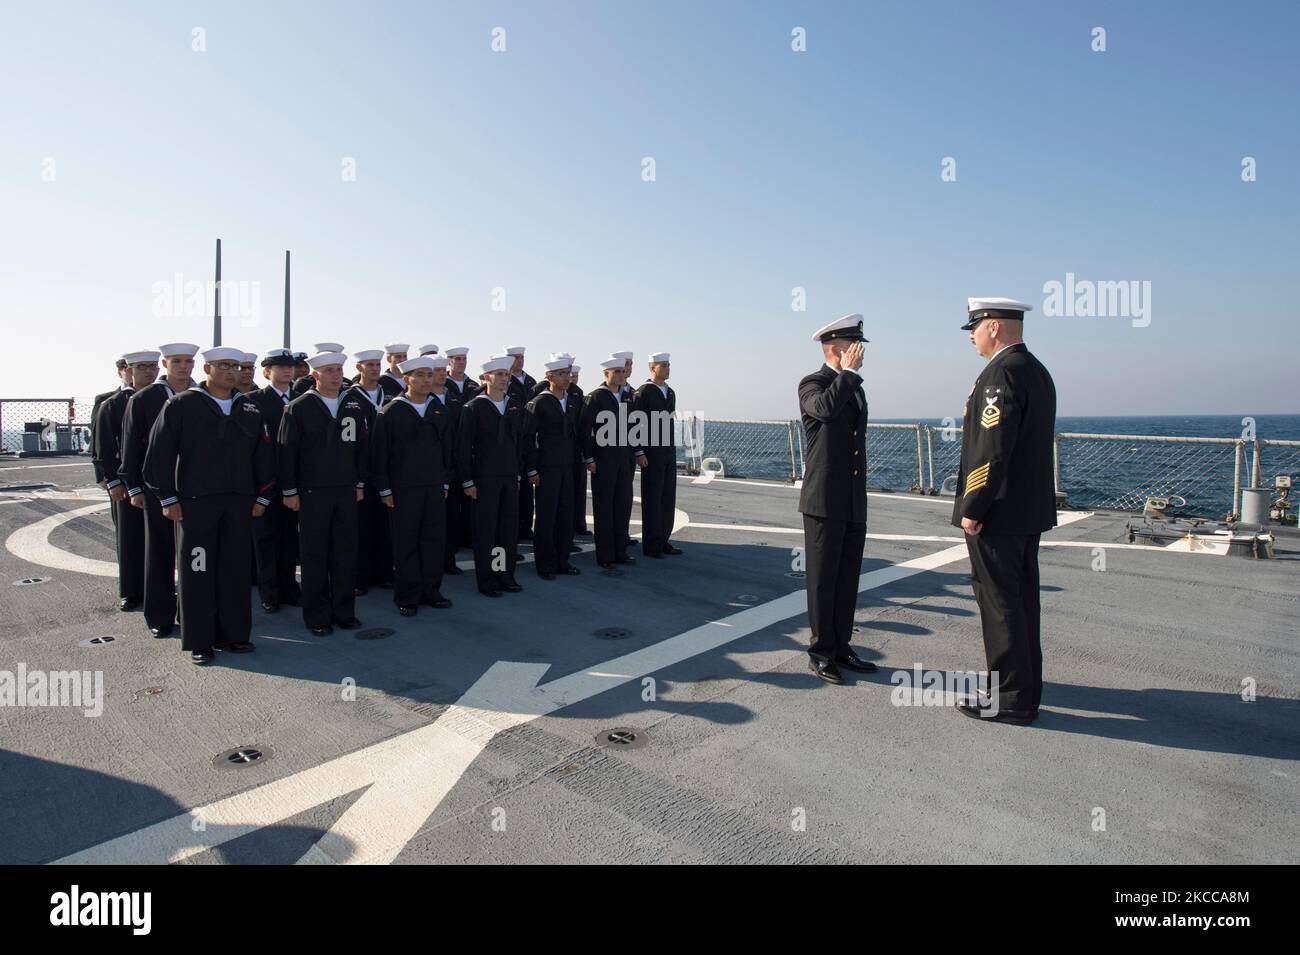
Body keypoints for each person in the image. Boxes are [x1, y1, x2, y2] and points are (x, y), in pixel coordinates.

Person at [953, 297, 1057, 726]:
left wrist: (974, 506)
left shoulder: (999, 374)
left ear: (993, 326)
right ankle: (1024, 690)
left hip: (999, 512)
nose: (972, 337)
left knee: (999, 604)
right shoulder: (1036, 370)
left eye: (974, 328)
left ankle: (1009, 699)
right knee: (1021, 602)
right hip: (1026, 511)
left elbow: (992, 450)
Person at [142, 346, 275, 665]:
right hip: (196, 505)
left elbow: (264, 456)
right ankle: (200, 639)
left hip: (238, 504)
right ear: (208, 370)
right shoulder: (183, 405)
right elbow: (158, 454)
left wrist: (262, 496)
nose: (231, 371)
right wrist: (167, 497)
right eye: (223, 365)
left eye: (236, 366)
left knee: (235, 570)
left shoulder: (249, 409)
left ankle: (235, 635)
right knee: (196, 571)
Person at [798, 314, 878, 685]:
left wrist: (850, 378)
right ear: (835, 348)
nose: (859, 353)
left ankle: (842, 645)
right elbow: (826, 410)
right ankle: (821, 651)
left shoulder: (854, 386)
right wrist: (848, 374)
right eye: (853, 346)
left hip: (851, 497)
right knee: (823, 578)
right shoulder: (812, 384)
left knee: (847, 576)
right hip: (823, 499)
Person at [278, 352, 370, 636]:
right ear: (315, 375)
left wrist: (359, 483)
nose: (336, 375)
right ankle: (317, 616)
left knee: (345, 552)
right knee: (314, 555)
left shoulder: (354, 404)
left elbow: (363, 449)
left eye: (339, 370)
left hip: (345, 490)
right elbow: (286, 452)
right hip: (312, 492)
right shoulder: (299, 407)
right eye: (329, 370)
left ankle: (344, 611)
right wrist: (289, 490)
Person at [119, 342, 199, 637]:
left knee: (194, 556)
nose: (183, 366)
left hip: (196, 488)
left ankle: (192, 613)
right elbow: (131, 444)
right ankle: (160, 616)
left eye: (188, 361)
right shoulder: (145, 398)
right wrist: (133, 486)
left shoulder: (202, 396)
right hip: (158, 487)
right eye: (176, 361)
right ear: (165, 364)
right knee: (160, 552)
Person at [371, 355, 455, 616]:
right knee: (406, 542)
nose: (426, 380)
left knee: (433, 540)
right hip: (403, 489)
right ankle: (407, 595)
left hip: (433, 487)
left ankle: (431, 590)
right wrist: (384, 489)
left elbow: (448, 450)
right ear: (407, 379)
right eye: (420, 375)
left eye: (429, 375)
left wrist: (444, 481)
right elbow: (379, 454)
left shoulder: (439, 409)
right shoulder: (391, 411)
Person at [93, 350, 159, 612]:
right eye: (142, 367)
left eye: (152, 366)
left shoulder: (163, 399)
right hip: (127, 480)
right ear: (129, 369)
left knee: (158, 540)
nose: (148, 371)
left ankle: (158, 587)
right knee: (130, 537)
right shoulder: (113, 403)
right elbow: (103, 446)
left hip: (157, 480)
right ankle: (131, 591)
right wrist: (112, 480)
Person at [457, 355, 526, 597]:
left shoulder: (513, 405)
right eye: (498, 374)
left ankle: (505, 575)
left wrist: (517, 474)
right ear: (486, 377)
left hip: (508, 476)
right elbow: (463, 447)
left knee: (506, 530)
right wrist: (467, 481)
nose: (503, 379)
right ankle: (487, 581)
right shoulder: (474, 407)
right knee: (487, 531)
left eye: (506, 375)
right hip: (484, 478)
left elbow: (518, 443)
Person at [249, 348, 302, 613]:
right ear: (267, 371)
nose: (286, 370)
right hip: (264, 484)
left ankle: (289, 587)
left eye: (289, 366)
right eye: (279, 366)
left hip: (292, 483)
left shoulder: (303, 400)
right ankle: (269, 592)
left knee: (290, 539)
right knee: (265, 540)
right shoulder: (253, 401)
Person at [523, 357, 582, 579]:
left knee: (566, 515)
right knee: (547, 517)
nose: (566, 378)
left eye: (567, 373)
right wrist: (532, 469)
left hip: (568, 466)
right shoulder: (539, 403)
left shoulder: (572, 401)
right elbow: (528, 438)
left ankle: (562, 560)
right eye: (561, 374)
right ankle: (545, 564)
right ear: (549, 377)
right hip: (547, 468)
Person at [581, 356, 640, 568]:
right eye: (616, 372)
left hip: (624, 458)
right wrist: (589, 458)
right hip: (603, 459)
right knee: (604, 507)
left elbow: (633, 427)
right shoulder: (596, 397)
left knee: (622, 504)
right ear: (606, 374)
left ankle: (620, 551)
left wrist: (637, 452)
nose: (621, 375)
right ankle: (605, 555)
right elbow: (585, 430)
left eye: (623, 372)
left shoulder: (627, 398)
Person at [347, 349, 395, 594]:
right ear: (360, 369)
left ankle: (385, 573)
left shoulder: (391, 396)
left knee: (385, 527)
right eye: (370, 365)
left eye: (377, 364)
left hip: (386, 472)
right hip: (361, 474)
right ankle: (360, 577)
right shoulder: (349, 398)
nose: (375, 369)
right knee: (361, 529)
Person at [632, 352, 681, 558]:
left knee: (668, 497)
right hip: (651, 452)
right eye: (664, 365)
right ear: (653, 368)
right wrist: (639, 451)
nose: (668, 368)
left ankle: (663, 540)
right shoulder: (643, 392)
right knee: (652, 498)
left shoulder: (670, 392)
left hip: (668, 451)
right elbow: (634, 423)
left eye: (669, 364)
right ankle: (651, 544)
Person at [503, 346, 537, 541]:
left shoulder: (531, 382)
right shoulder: (507, 381)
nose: (520, 360)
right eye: (516, 357)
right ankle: (513, 531)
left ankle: (526, 528)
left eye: (522, 357)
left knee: (527, 490)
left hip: (528, 438)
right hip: (513, 438)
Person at [90, 358, 133, 454]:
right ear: (120, 372)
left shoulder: (158, 398)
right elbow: (98, 434)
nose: (134, 373)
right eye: (130, 369)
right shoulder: (105, 400)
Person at [569, 364, 591, 537]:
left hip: (577, 448)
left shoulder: (578, 393)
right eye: (570, 374)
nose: (573, 377)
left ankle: (579, 525)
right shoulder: (543, 392)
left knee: (579, 489)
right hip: (559, 452)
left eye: (575, 374)